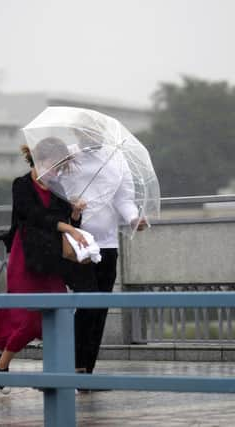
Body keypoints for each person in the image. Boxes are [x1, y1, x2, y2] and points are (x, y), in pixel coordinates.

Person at [0, 137, 87, 394]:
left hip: (51, 261)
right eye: (56, 165)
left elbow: (68, 225)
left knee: (60, 313)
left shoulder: (58, 188)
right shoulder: (21, 185)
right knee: (32, 318)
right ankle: (2, 362)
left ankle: (57, 374)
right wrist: (66, 224)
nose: (58, 171)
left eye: (62, 166)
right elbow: (34, 216)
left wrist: (75, 215)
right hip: (26, 259)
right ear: (41, 160)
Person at [63, 128, 147, 383]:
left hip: (108, 244)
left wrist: (133, 218)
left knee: (99, 308)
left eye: (96, 131)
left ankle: (86, 371)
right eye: (86, 131)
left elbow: (124, 197)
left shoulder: (115, 157)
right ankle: (72, 367)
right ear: (77, 132)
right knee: (86, 306)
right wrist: (71, 204)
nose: (92, 136)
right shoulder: (68, 156)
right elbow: (53, 193)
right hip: (77, 242)